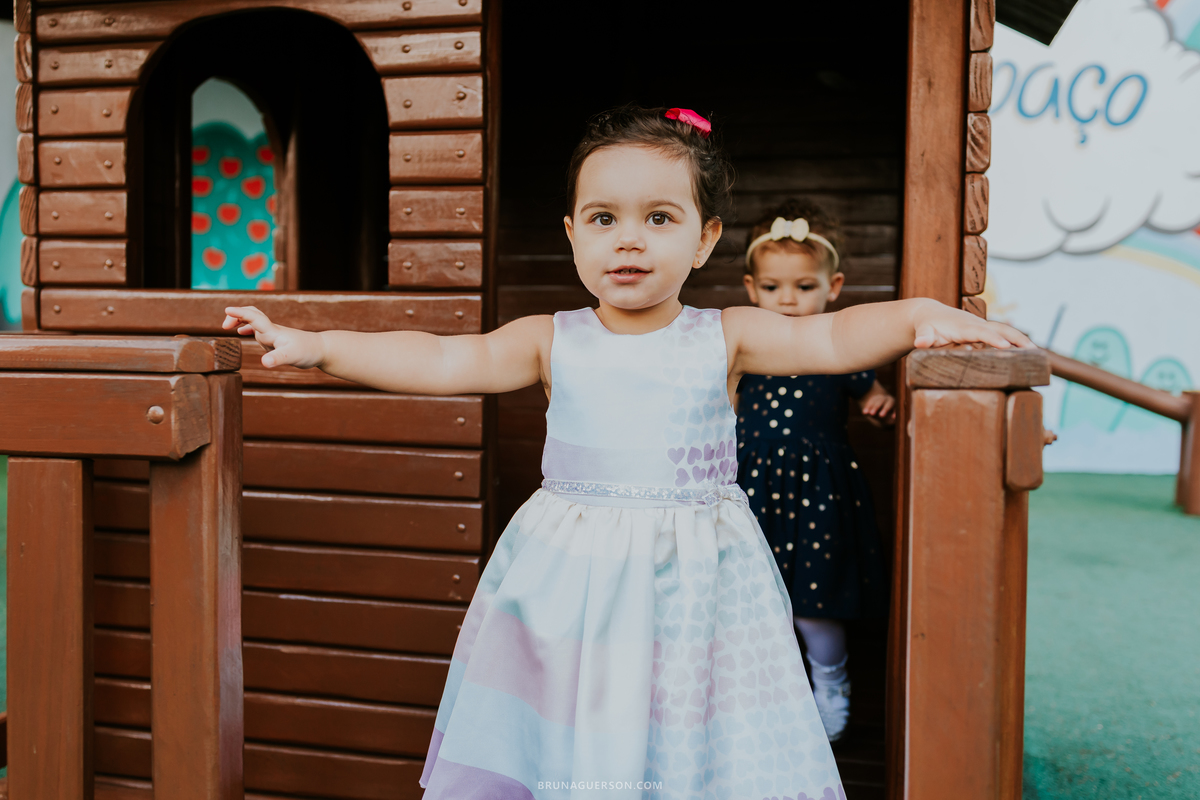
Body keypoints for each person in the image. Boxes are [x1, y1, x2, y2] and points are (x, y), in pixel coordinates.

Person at [222, 105, 1032, 799]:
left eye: (660, 217)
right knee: (581, 721)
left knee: (686, 719)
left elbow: (832, 334)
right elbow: (442, 360)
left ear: (706, 237)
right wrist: (319, 343)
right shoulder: (551, 340)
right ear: (573, 234)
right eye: (604, 219)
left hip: (698, 580)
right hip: (574, 578)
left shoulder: (726, 334)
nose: (628, 241)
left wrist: (923, 312)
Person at [736, 200, 895, 745]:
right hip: (751, 493)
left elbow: (876, 395)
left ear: (833, 286)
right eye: (774, 287)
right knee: (751, 605)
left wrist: (881, 404)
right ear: (752, 289)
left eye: (804, 287)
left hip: (818, 497)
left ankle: (830, 682)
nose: (788, 300)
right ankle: (759, 697)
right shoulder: (745, 352)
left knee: (814, 605)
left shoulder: (839, 349)